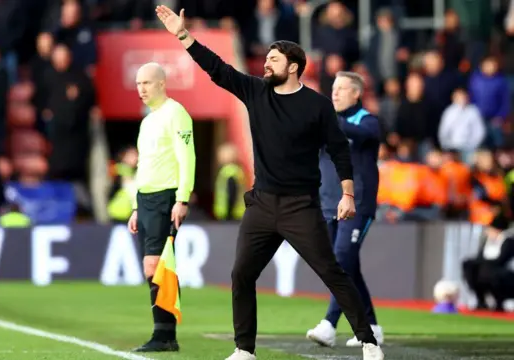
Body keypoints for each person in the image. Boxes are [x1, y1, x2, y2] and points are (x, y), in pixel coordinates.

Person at [155, 5, 383, 360]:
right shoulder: (256, 92)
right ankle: (244, 350)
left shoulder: (317, 106)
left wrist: (348, 193)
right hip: (262, 204)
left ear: (293, 66)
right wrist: (184, 36)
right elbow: (218, 69)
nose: (266, 64)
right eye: (267, 59)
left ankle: (368, 340)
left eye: (274, 60)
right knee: (241, 274)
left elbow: (340, 151)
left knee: (333, 273)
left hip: (300, 207)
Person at [307, 71, 384, 347]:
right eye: (334, 88)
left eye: (341, 89)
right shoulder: (327, 124)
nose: (335, 93)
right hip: (328, 204)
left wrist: (329, 120)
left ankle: (329, 323)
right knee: (348, 266)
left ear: (356, 94)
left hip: (357, 205)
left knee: (340, 261)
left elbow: (365, 135)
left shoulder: (366, 120)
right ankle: (372, 325)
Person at [127, 62, 196, 352]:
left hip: (166, 196)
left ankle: (165, 334)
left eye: (147, 83)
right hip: (145, 199)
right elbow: (143, 165)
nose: (141, 88)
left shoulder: (176, 113)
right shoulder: (148, 120)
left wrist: (182, 198)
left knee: (156, 265)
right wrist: (134, 206)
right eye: (138, 83)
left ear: (161, 84)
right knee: (152, 267)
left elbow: (187, 156)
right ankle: (165, 334)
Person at [462, 209, 514, 312]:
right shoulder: (487, 241)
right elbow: (479, 257)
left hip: (503, 273)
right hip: (486, 270)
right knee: (470, 266)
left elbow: (502, 260)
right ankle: (481, 300)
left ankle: (499, 302)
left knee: (488, 271)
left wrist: (485, 264)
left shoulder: (508, 241)